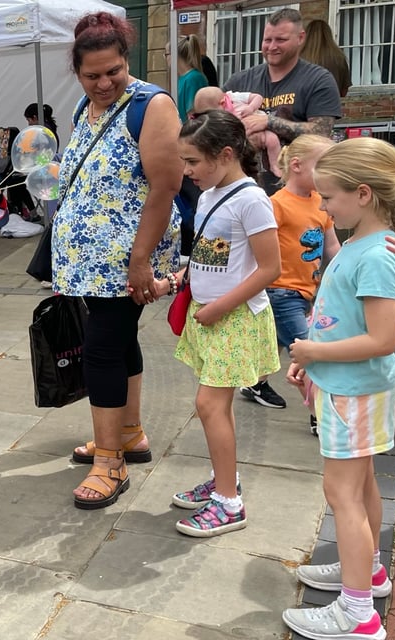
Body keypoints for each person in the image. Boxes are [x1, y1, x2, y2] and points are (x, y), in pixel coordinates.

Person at [282, 137, 395, 640]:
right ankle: (367, 571)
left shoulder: (375, 255)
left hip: (354, 392)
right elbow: (342, 321)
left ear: (364, 194)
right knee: (359, 486)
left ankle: (357, 612)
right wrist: (314, 361)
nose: (323, 205)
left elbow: (383, 339)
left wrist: (313, 354)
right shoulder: (367, 246)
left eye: (330, 196)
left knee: (341, 491)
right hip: (346, 386)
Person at [53, 12, 182, 510]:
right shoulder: (84, 108)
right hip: (91, 259)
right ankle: (128, 433)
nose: (105, 83)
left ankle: (110, 462)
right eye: (93, 75)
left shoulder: (151, 105)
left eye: (114, 71)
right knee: (118, 341)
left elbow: (165, 186)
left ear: (127, 61)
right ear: (78, 74)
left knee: (102, 350)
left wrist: (141, 260)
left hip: (126, 259)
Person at [153, 109, 280, 536]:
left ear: (226, 154)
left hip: (234, 318)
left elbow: (269, 268)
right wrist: (173, 281)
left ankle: (229, 502)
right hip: (209, 315)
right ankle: (225, 480)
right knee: (214, 408)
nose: (186, 171)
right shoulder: (208, 195)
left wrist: (220, 306)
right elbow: (209, 257)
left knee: (209, 406)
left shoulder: (252, 199)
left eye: (192, 161)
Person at [235, 134, 338, 424]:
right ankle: (320, 418)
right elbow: (258, 247)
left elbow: (332, 246)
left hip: (307, 290)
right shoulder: (276, 204)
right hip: (280, 290)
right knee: (308, 352)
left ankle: (255, 382)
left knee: (277, 341)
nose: (329, 173)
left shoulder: (321, 202)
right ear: (296, 165)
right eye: (323, 165)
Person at [223, 8, 343, 193]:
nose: (272, 47)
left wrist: (268, 122)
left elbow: (321, 133)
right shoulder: (240, 81)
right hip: (244, 191)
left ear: (300, 38)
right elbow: (214, 128)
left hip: (297, 192)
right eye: (267, 40)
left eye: (281, 40)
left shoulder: (319, 80)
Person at [192, 87, 283, 178]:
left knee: (272, 140)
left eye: (211, 114)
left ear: (222, 103)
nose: (210, 118)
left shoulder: (235, 97)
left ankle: (275, 165)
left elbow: (258, 97)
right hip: (242, 137)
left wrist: (251, 107)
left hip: (260, 127)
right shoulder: (217, 115)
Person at [302, 19, 351, 99]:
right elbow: (344, 90)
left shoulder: (299, 58)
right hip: (331, 106)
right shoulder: (339, 57)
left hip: (305, 107)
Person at [172, 36, 208, 123]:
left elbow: (192, 115)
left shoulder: (193, 78)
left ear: (175, 55)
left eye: (166, 54)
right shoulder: (182, 78)